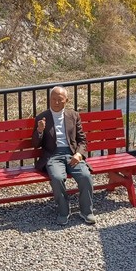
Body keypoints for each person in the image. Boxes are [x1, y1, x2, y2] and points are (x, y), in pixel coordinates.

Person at [32, 85, 95, 225]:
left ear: (66, 100)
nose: (56, 102)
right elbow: (35, 144)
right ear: (49, 99)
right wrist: (39, 131)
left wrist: (79, 154)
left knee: (85, 176)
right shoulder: (42, 117)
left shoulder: (73, 115)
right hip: (53, 156)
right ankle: (63, 211)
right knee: (57, 177)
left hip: (72, 154)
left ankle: (86, 211)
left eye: (59, 99)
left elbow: (82, 140)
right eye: (53, 99)